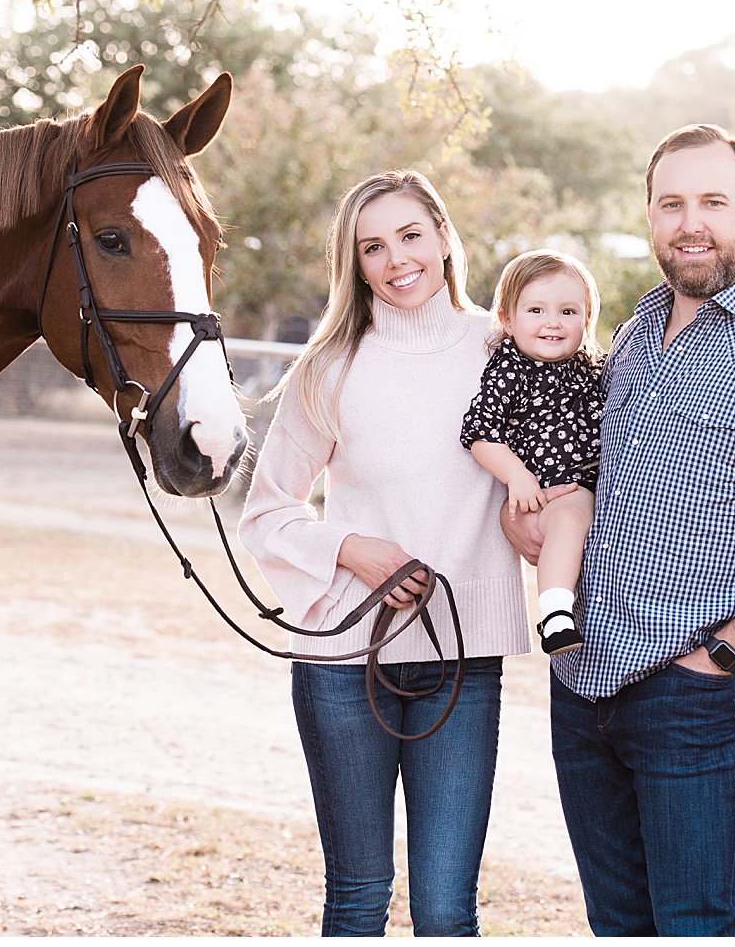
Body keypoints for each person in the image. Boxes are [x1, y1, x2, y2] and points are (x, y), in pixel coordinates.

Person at [505, 124, 735, 936]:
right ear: (649, 216)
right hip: (584, 680)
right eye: (671, 203)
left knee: (694, 924)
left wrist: (725, 653)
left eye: (712, 201)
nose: (690, 222)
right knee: (618, 924)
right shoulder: (630, 337)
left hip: (695, 690)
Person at [240, 170, 530, 937]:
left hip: (463, 663)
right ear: (355, 263)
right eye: (373, 246)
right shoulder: (329, 366)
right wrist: (353, 547)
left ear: (442, 236)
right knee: (358, 898)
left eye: (410, 235)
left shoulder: (502, 348)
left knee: (445, 911)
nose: (397, 258)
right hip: (344, 664)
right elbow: (268, 511)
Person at [460, 249, 604, 654]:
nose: (553, 322)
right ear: (507, 318)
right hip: (550, 489)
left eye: (569, 312)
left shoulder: (593, 367)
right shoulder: (510, 369)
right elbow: (480, 433)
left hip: (589, 486)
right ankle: (556, 614)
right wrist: (517, 476)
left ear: (586, 320)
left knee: (575, 519)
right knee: (570, 516)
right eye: (536, 310)